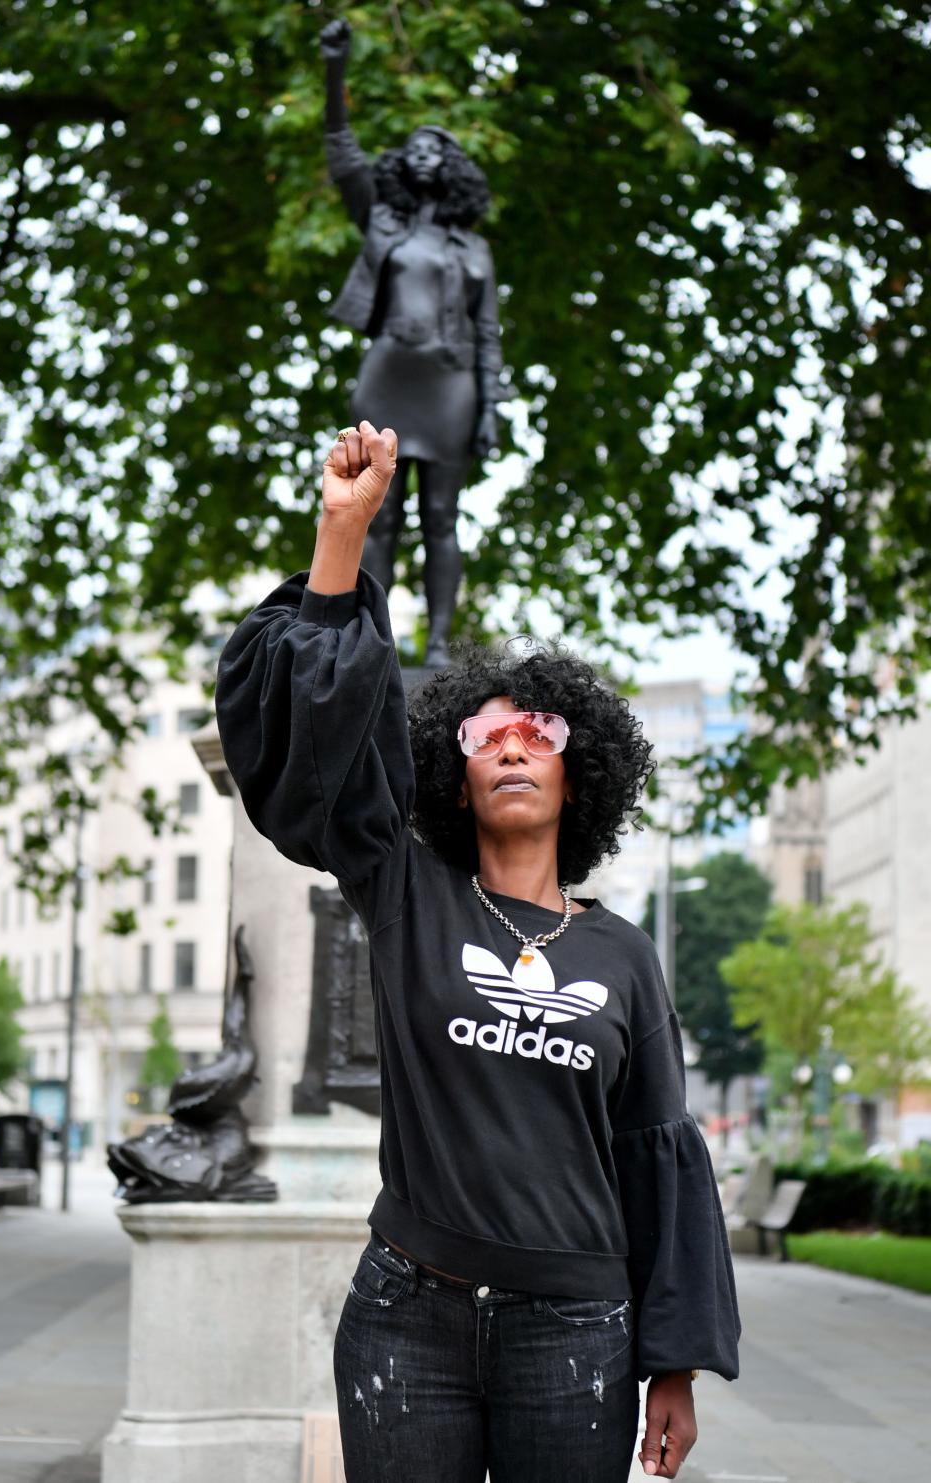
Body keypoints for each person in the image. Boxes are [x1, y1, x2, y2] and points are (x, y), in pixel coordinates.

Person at [215, 421, 740, 1483]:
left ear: (575, 772)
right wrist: (343, 534)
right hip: (408, 1320)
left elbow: (657, 1156)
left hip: (577, 1330)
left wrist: (672, 1365)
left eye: (537, 733)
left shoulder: (627, 959)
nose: (508, 743)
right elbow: (322, 756)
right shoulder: (407, 891)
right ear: (454, 780)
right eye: (481, 735)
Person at [320, 17, 504, 666]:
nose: (425, 150)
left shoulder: (476, 247)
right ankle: (375, 640)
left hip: (452, 385)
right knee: (378, 514)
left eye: (440, 146)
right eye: (416, 145)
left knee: (442, 518)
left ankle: (444, 647)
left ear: (454, 169)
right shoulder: (382, 219)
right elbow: (341, 149)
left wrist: (490, 408)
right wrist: (335, 68)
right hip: (389, 377)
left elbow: (488, 334)